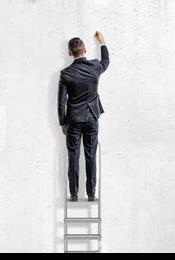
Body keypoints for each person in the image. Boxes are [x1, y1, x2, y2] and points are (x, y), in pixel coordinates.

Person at [58, 31, 110, 202]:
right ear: (85, 50)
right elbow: (106, 62)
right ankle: (91, 193)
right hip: (91, 118)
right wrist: (102, 42)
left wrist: (62, 122)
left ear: (69, 53)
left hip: (73, 120)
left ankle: (73, 194)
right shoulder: (95, 67)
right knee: (91, 155)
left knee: (73, 155)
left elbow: (61, 102)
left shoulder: (66, 73)